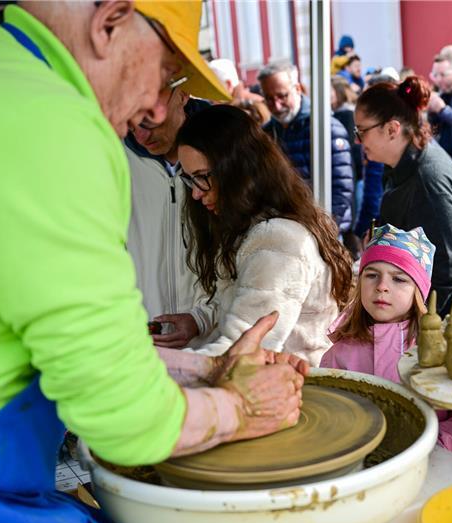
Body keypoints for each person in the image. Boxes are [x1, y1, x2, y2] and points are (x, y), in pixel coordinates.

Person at [0, 2, 307, 523]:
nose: (157, 108)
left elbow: (53, 342)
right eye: (165, 75)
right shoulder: (49, 124)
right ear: (110, 20)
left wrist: (204, 371)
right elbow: (123, 421)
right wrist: (242, 406)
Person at [176, 104, 353, 366]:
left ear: (238, 168)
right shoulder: (255, 225)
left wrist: (155, 370)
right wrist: (198, 321)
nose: (196, 193)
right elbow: (241, 300)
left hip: (291, 390)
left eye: (202, 177)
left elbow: (244, 350)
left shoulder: (280, 239)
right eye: (190, 179)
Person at [321, 224, 452, 457]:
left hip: (433, 466)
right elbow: (327, 415)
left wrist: (438, 446)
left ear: (418, 291)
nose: (382, 287)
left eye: (399, 279)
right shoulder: (338, 355)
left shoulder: (443, 351)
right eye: (371, 275)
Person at [354, 76, 452, 319]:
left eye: (361, 131)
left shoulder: (429, 180)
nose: (357, 140)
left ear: (392, 129)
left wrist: (411, 325)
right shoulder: (403, 164)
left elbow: (446, 272)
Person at [125, 88, 216, 349]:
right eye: (131, 126)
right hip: (145, 339)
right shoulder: (114, 156)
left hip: (219, 339)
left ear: (183, 94)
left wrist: (202, 318)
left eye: (149, 121)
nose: (141, 136)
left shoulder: (224, 144)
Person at [259, 62, 355, 236]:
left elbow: (342, 187)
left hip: (323, 231)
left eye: (282, 96)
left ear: (297, 88)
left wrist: (326, 228)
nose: (277, 105)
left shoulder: (325, 127)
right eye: (269, 99)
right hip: (285, 232)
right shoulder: (265, 133)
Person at [209, 57, 271, 125]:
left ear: (228, 85)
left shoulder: (255, 107)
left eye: (212, 87)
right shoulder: (227, 108)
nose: (209, 95)